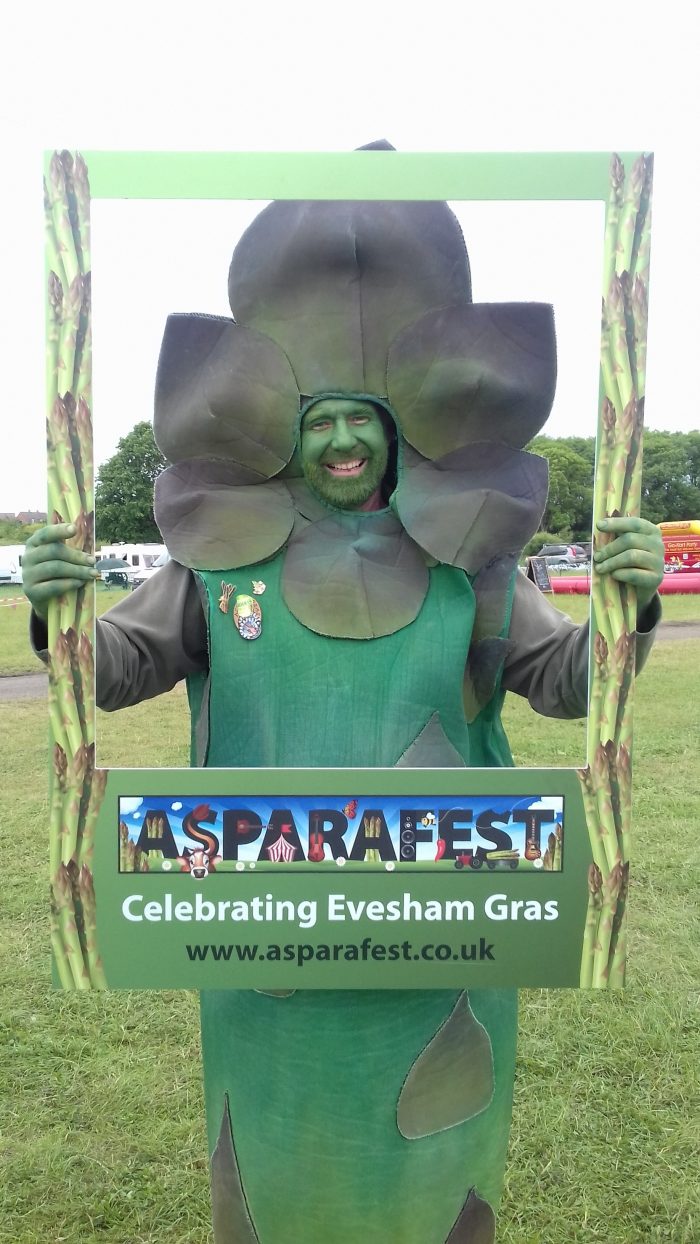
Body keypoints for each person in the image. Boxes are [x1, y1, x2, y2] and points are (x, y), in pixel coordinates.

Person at [25, 191, 664, 1242]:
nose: (338, 438)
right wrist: (62, 612)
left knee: (431, 1171)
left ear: (395, 435)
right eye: (317, 418)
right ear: (288, 434)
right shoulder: (215, 561)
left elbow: (566, 680)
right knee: (275, 1174)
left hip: (441, 944)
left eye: (358, 419)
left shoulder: (474, 564)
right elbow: (116, 663)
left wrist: (627, 610)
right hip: (257, 941)